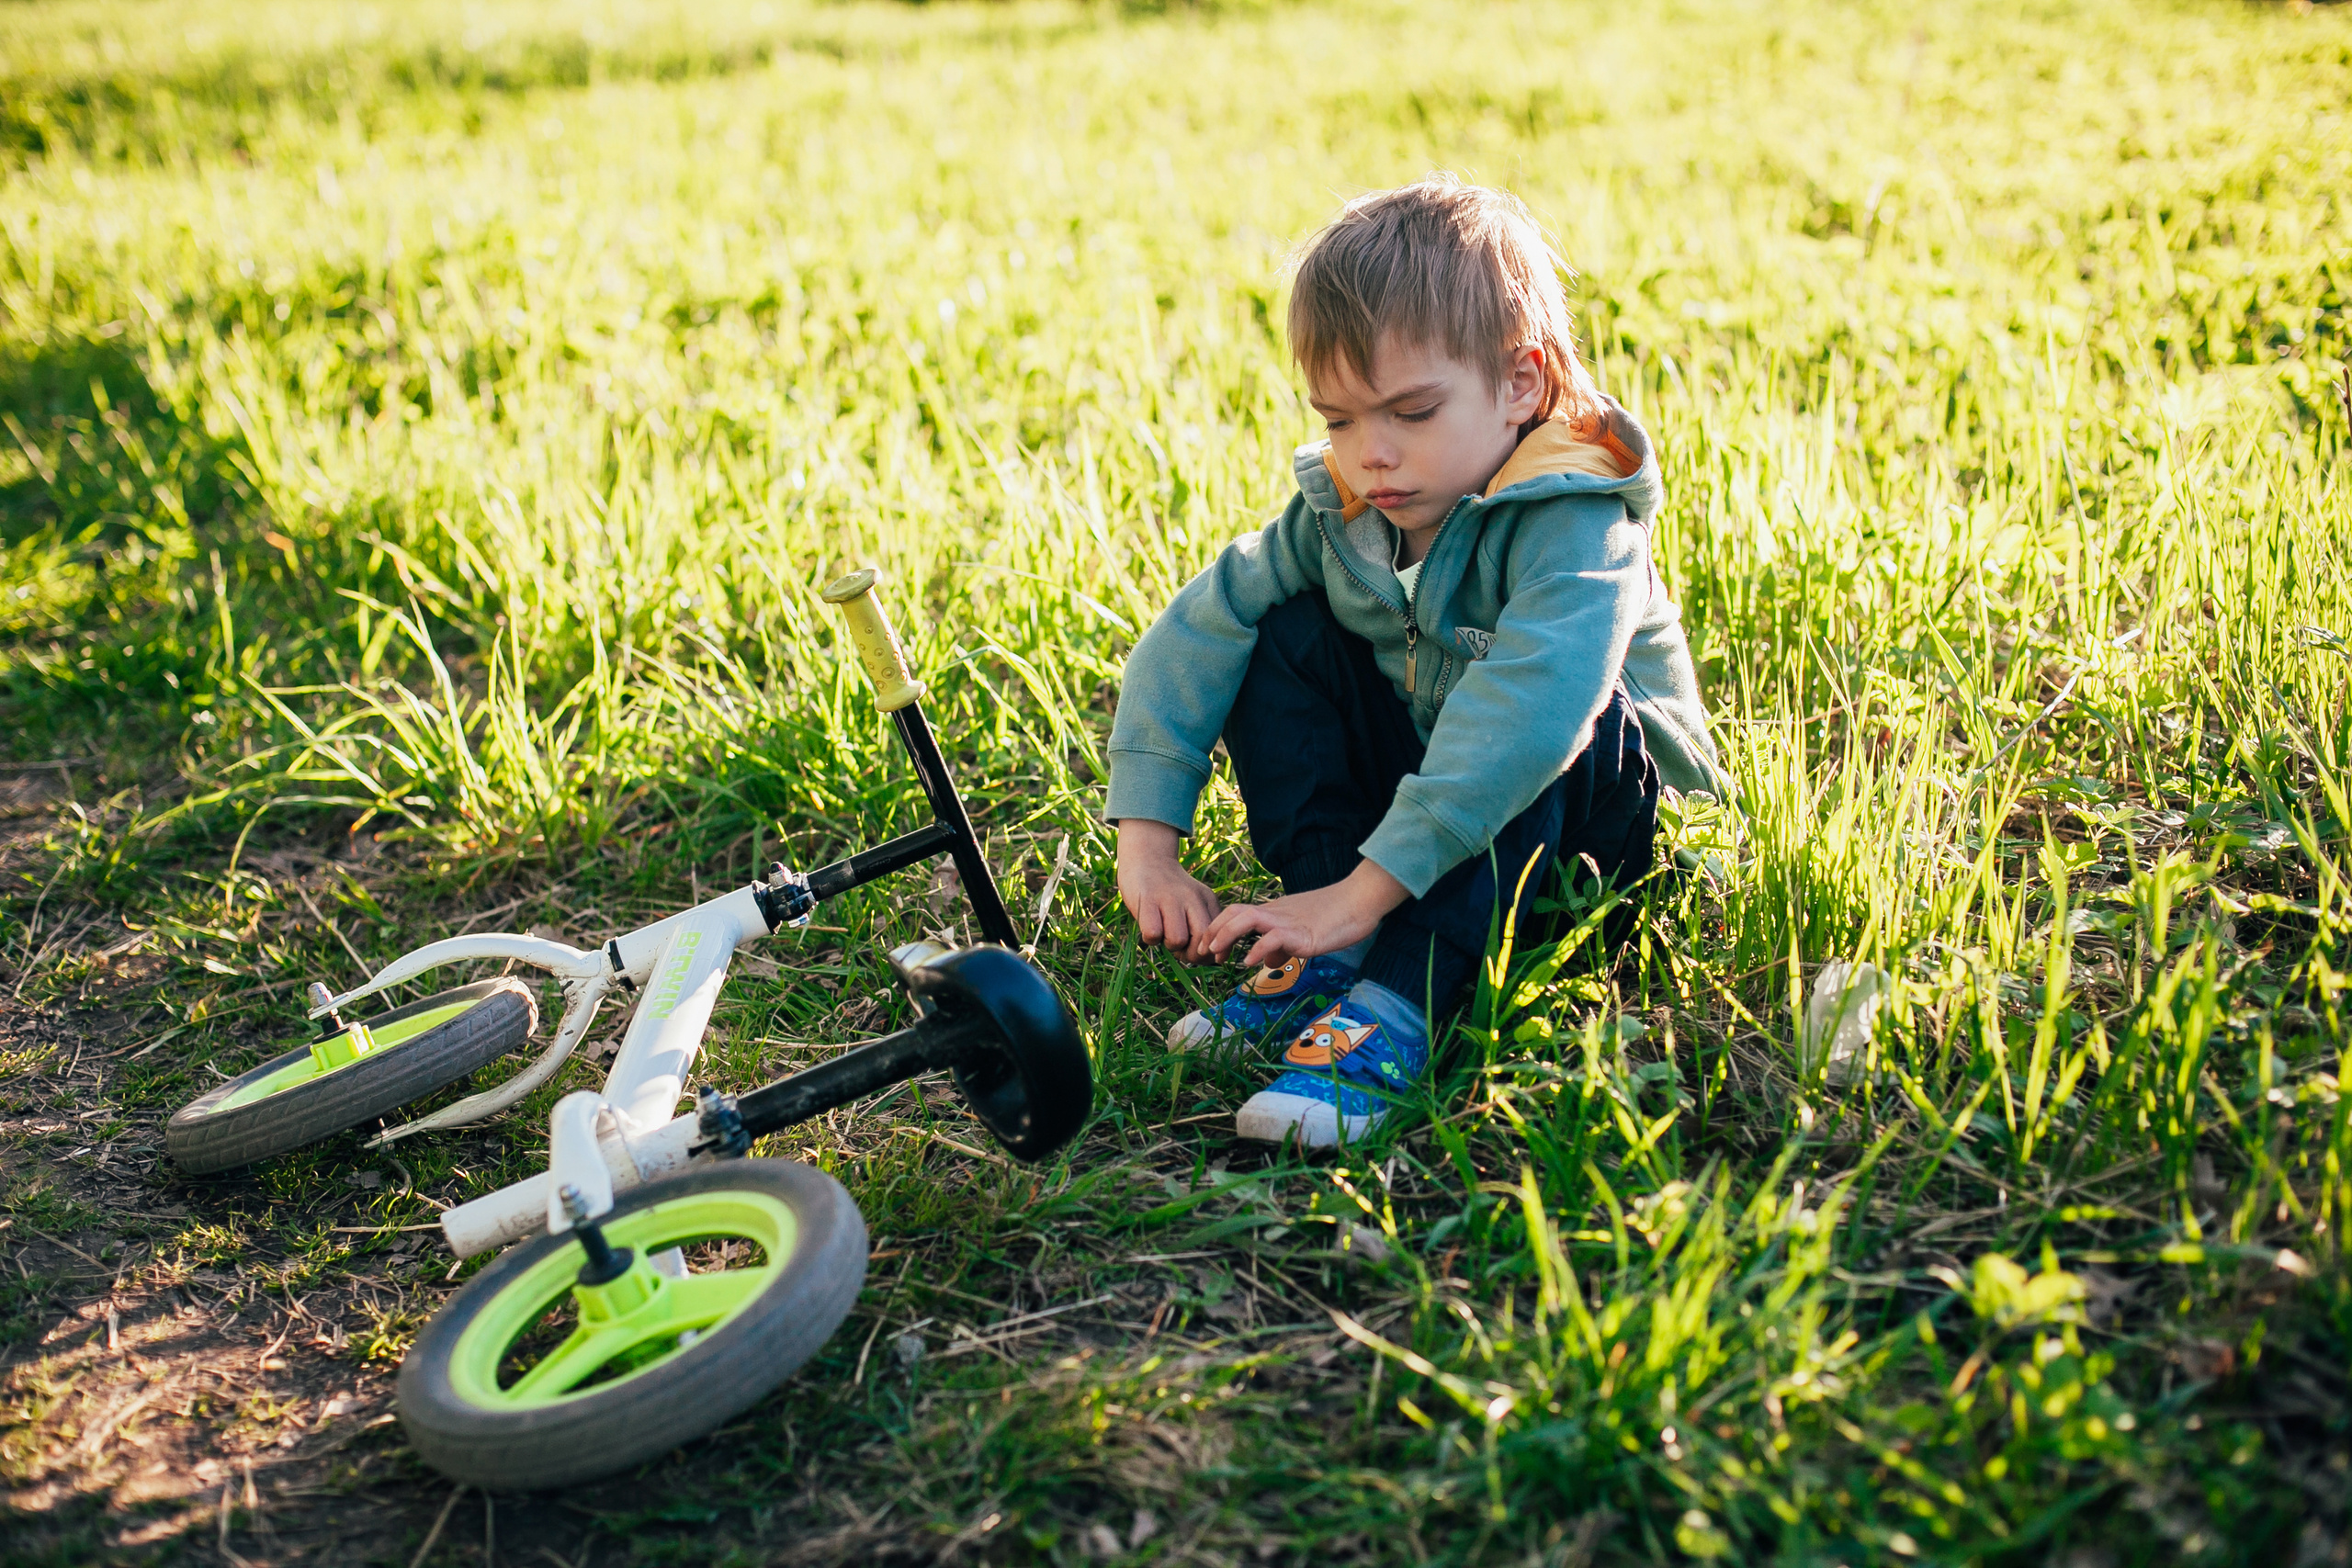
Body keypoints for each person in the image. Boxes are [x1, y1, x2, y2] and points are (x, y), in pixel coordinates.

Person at [1106, 175, 1724, 1147]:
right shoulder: (1353, 513)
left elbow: (1528, 723)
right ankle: (1330, 947)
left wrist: (1367, 896)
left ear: (1520, 383)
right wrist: (1147, 841)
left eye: (1411, 411)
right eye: (1339, 420)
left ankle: (1404, 996)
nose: (1371, 455)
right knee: (1282, 629)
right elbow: (1204, 619)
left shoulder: (1575, 517)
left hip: (1601, 845)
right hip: (1447, 817)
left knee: (1549, 706)